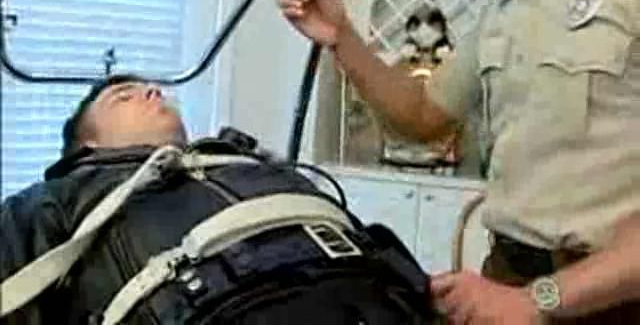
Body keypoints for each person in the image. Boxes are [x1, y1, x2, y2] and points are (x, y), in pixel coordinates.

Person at [277, 0, 640, 322]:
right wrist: (342, 39)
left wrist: (539, 300)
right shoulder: (513, 0)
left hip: (609, 304)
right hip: (507, 283)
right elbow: (420, 117)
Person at [1, 74, 435, 324]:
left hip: (376, 303)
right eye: (124, 96)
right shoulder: (55, 199)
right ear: (87, 144)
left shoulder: (250, 166)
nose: (152, 91)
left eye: (151, 87)